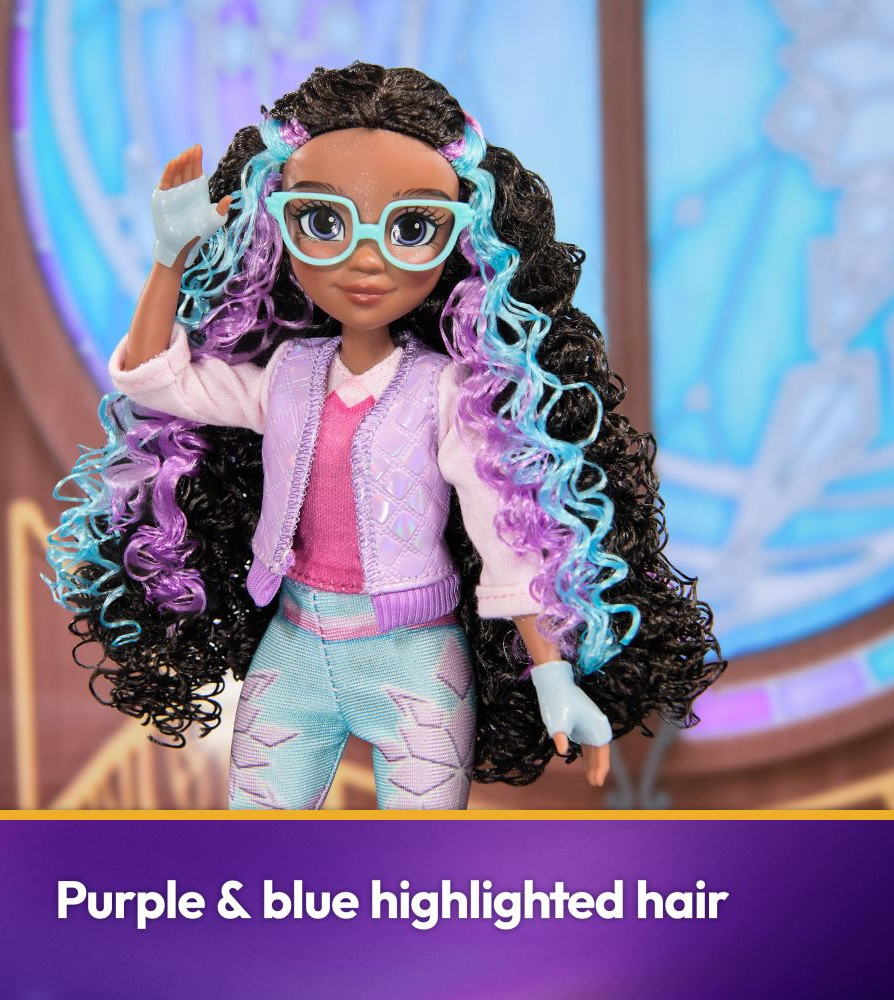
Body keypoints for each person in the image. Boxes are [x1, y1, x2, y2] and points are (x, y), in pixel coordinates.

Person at [47, 62, 723, 809]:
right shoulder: (287, 376)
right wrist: (168, 260)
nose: (366, 259)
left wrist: (553, 674)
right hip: (294, 643)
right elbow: (156, 380)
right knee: (256, 841)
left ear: (462, 241)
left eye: (411, 229)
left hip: (414, 663)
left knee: (421, 860)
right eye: (322, 221)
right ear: (278, 228)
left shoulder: (446, 391)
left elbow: (505, 534)